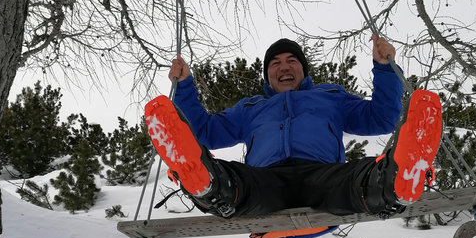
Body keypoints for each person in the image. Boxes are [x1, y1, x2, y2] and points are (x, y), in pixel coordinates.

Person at [144, 37, 442, 220]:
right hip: (266, 178)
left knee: (359, 175)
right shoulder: (251, 108)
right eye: (275, 63)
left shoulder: (329, 97)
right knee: (238, 181)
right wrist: (183, 88)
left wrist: (384, 68)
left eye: (291, 61)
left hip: (323, 174)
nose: (284, 67)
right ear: (267, 74)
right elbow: (205, 131)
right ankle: (208, 183)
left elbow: (381, 118)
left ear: (303, 69)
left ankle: (395, 181)